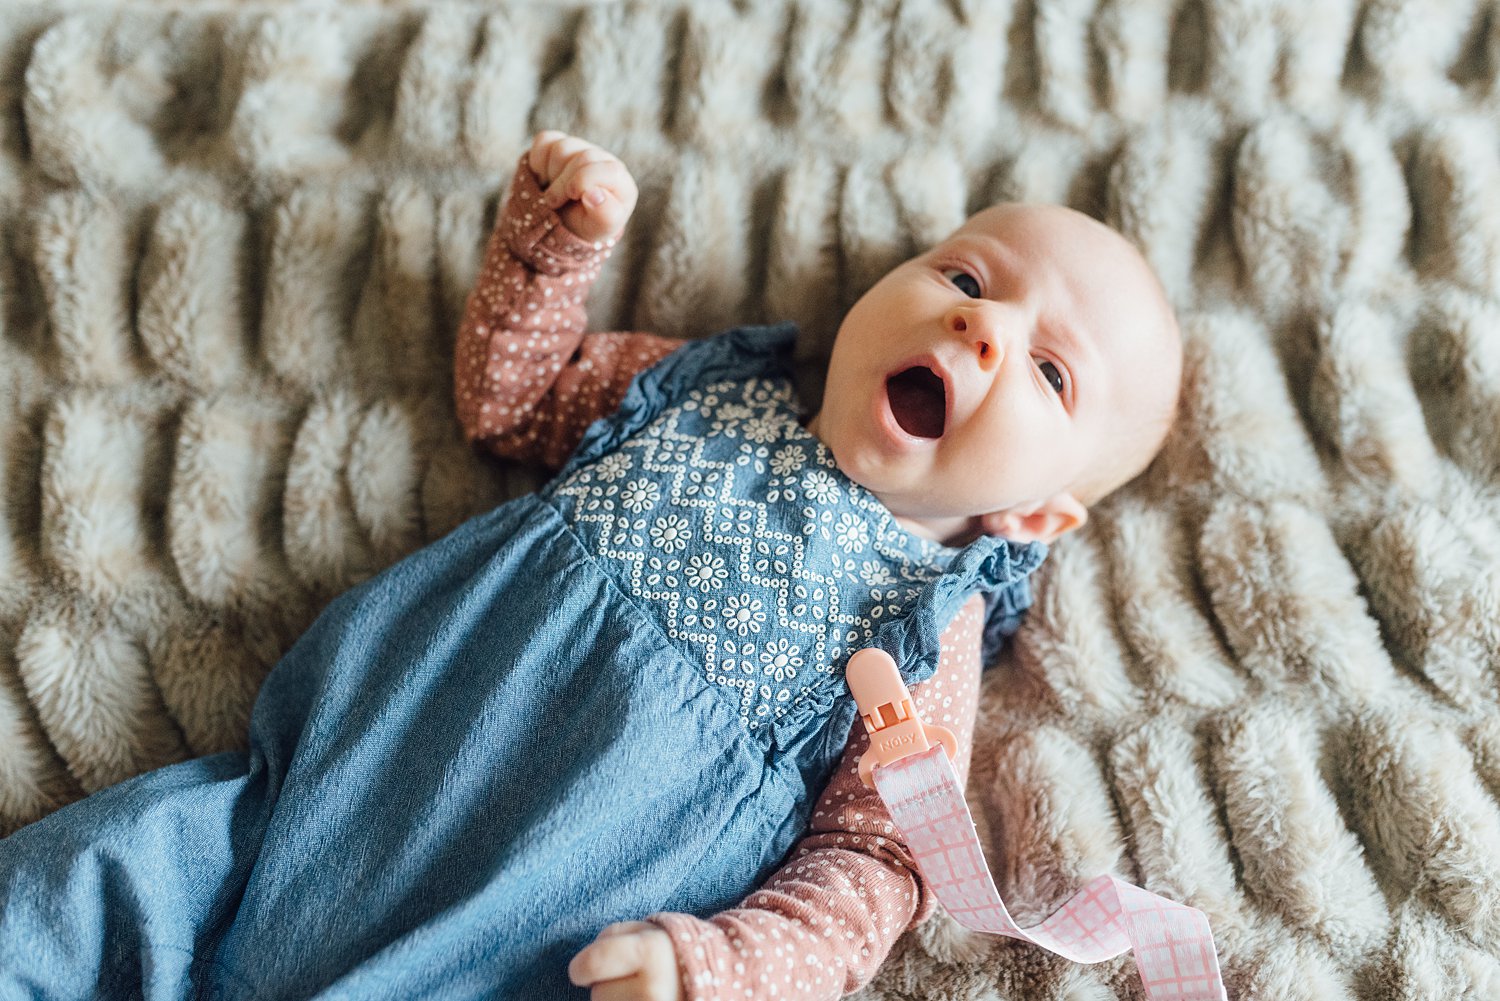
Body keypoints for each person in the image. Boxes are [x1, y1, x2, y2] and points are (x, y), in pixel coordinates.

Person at [0, 130, 1181, 1001]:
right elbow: (510, 400)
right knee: (55, 904)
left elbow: (873, 865)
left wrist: (717, 964)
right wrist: (549, 246)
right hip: (294, 804)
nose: (982, 327)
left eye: (1051, 373)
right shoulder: (699, 388)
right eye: (967, 278)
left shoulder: (924, 632)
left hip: (514, 943)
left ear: (1037, 515)